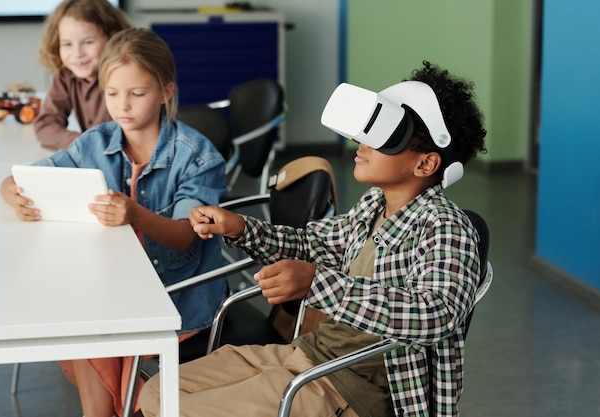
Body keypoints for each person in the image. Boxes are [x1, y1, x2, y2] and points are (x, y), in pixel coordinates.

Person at [138, 61, 488, 417]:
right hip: (307, 354)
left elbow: (436, 314)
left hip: (351, 388)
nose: (361, 142)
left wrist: (318, 284)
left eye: (385, 138)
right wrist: (241, 228)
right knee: (157, 393)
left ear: (426, 165)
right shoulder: (373, 205)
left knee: (178, 410)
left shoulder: (446, 227)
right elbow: (311, 243)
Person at [1, 28, 228, 417]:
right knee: (90, 330)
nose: (122, 105)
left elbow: (184, 239)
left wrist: (136, 214)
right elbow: (21, 177)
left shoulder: (197, 157)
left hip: (176, 296)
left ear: (165, 92)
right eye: (111, 93)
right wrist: (13, 192)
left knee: (107, 343)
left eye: (137, 94)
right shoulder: (94, 142)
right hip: (111, 290)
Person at [34, 0, 133, 151]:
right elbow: (46, 125)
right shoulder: (65, 76)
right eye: (67, 44)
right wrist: (82, 143)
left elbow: (133, 136)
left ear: (112, 38)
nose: (77, 54)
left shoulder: (127, 75)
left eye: (88, 42)